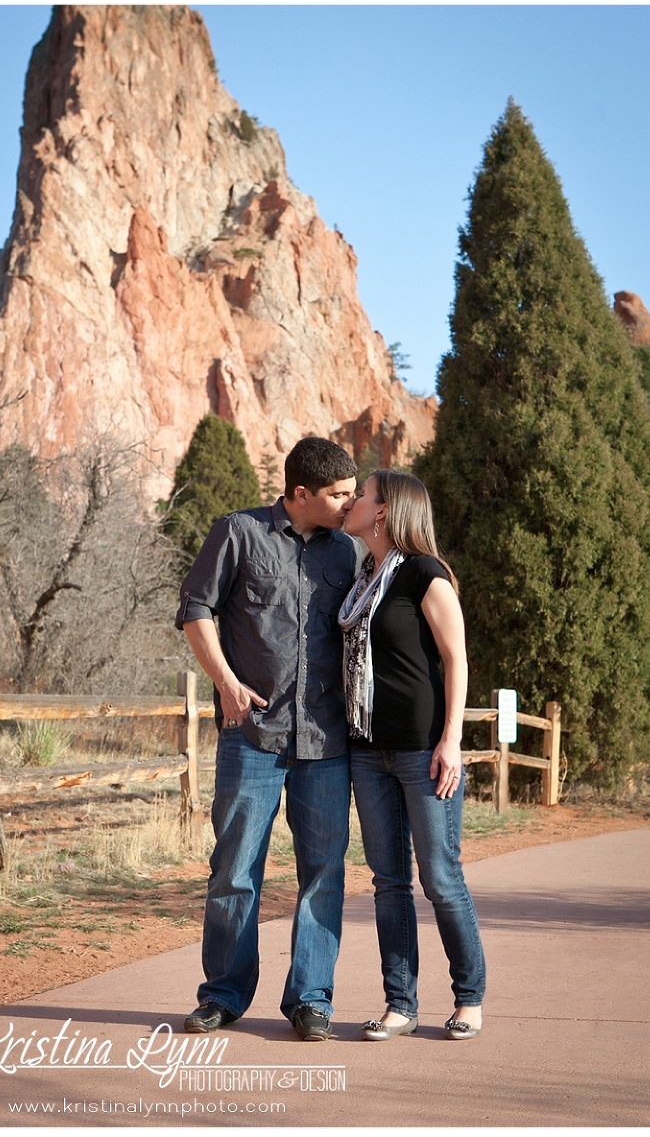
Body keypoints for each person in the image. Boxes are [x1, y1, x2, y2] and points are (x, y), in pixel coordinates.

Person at [175, 436, 358, 1041]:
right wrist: (224, 683)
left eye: (353, 494)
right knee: (234, 868)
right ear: (300, 493)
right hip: (251, 735)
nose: (348, 504)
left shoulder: (350, 553)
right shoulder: (238, 532)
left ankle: (311, 998)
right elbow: (195, 608)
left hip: (327, 743)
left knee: (323, 871)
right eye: (337, 495)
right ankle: (224, 995)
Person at [339, 469, 485, 1041]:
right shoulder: (362, 579)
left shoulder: (426, 574)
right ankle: (401, 1004)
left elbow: (457, 660)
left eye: (362, 495)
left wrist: (451, 741)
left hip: (425, 753)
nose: (351, 502)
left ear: (383, 511)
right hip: (367, 752)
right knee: (389, 882)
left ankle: (469, 998)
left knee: (441, 877)